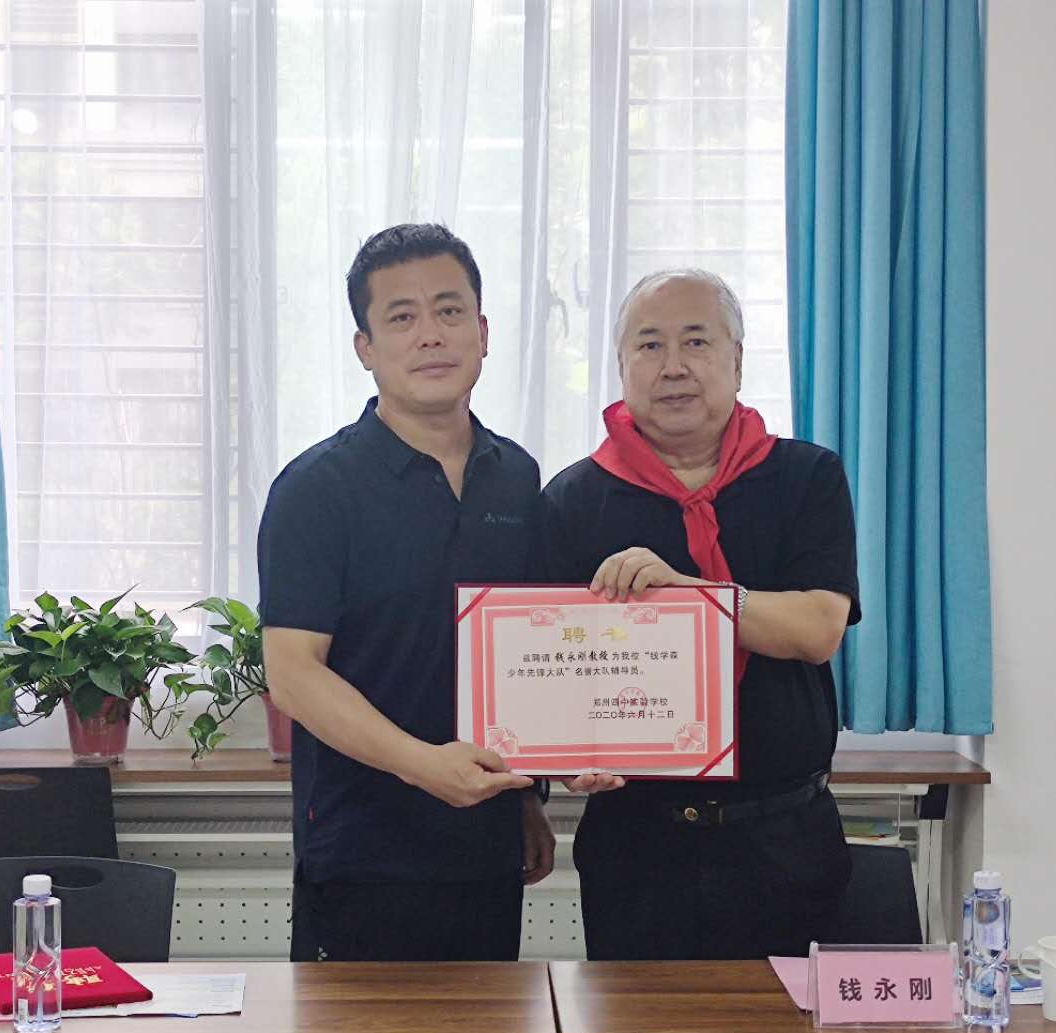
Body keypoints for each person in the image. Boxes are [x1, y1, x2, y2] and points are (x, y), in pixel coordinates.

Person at [542, 268, 860, 972]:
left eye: (696, 341)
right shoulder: (572, 499)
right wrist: (567, 757)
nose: (674, 366)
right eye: (650, 345)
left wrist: (689, 596)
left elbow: (817, 630)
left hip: (785, 841)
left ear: (737, 361)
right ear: (621, 365)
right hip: (636, 848)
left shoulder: (806, 477)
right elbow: (550, 669)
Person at [258, 223, 554, 969]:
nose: (431, 335)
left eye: (450, 311)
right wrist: (424, 766)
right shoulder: (316, 490)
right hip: (363, 856)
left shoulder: (518, 478)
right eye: (402, 317)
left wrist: (526, 798)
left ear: (483, 332)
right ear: (365, 347)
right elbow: (293, 674)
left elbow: (527, 653)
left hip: (486, 850)